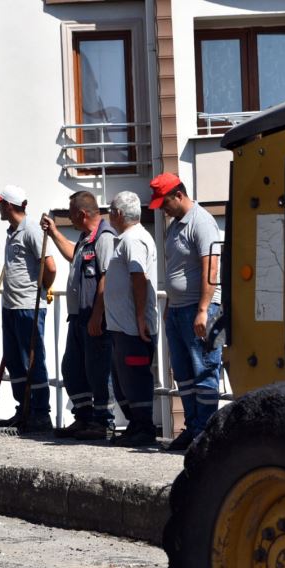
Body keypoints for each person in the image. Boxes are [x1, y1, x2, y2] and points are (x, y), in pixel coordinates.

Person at [150, 173, 223, 451]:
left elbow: (210, 267)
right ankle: (193, 429)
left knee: (204, 371)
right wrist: (170, 304)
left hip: (201, 308)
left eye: (164, 202)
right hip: (179, 309)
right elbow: (175, 270)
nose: (162, 209)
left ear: (178, 195)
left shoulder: (201, 222)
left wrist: (203, 310)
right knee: (184, 374)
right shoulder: (175, 225)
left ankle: (206, 435)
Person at [42, 191, 116, 440]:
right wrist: (53, 233)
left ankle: (103, 422)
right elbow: (74, 254)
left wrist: (97, 315)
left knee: (98, 371)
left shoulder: (104, 238)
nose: (70, 218)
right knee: (73, 368)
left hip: (94, 318)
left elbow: (107, 278)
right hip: (78, 318)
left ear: (82, 214)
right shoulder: (86, 238)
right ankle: (83, 418)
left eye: (72, 214)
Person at [0, 185, 56, 433]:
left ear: (9, 205)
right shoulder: (11, 231)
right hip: (11, 304)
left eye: (0, 204)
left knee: (33, 359)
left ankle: (40, 413)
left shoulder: (30, 230)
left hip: (28, 304)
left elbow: (50, 267)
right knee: (14, 359)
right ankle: (24, 408)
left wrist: (44, 288)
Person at [104, 191, 159, 447]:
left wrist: (139, 318)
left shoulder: (133, 240)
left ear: (119, 214)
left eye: (111, 210)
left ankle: (143, 427)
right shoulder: (125, 239)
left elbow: (139, 278)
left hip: (132, 328)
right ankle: (135, 425)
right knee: (123, 378)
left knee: (135, 377)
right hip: (122, 326)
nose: (108, 215)